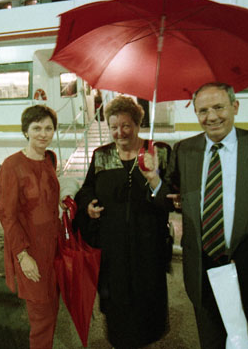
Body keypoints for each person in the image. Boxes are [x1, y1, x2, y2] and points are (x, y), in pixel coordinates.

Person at [144, 82, 248, 348]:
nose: (211, 117)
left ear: (235, 106)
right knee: (212, 341)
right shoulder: (185, 151)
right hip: (204, 272)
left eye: (219, 107)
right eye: (203, 111)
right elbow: (171, 199)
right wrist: (154, 179)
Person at [73, 95, 172, 348]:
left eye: (126, 125)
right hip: (112, 249)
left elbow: (171, 199)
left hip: (148, 249)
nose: (120, 132)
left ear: (138, 124)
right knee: (117, 309)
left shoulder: (159, 152)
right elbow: (86, 189)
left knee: (148, 307)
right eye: (114, 127)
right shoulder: (102, 155)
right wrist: (88, 205)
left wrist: (154, 178)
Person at [0, 104, 70, 349]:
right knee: (41, 316)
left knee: (53, 307)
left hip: (54, 247)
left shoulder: (50, 158)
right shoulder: (12, 165)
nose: (43, 134)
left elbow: (45, 197)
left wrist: (60, 201)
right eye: (37, 128)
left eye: (49, 128)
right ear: (26, 131)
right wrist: (22, 255)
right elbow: (7, 216)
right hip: (31, 249)